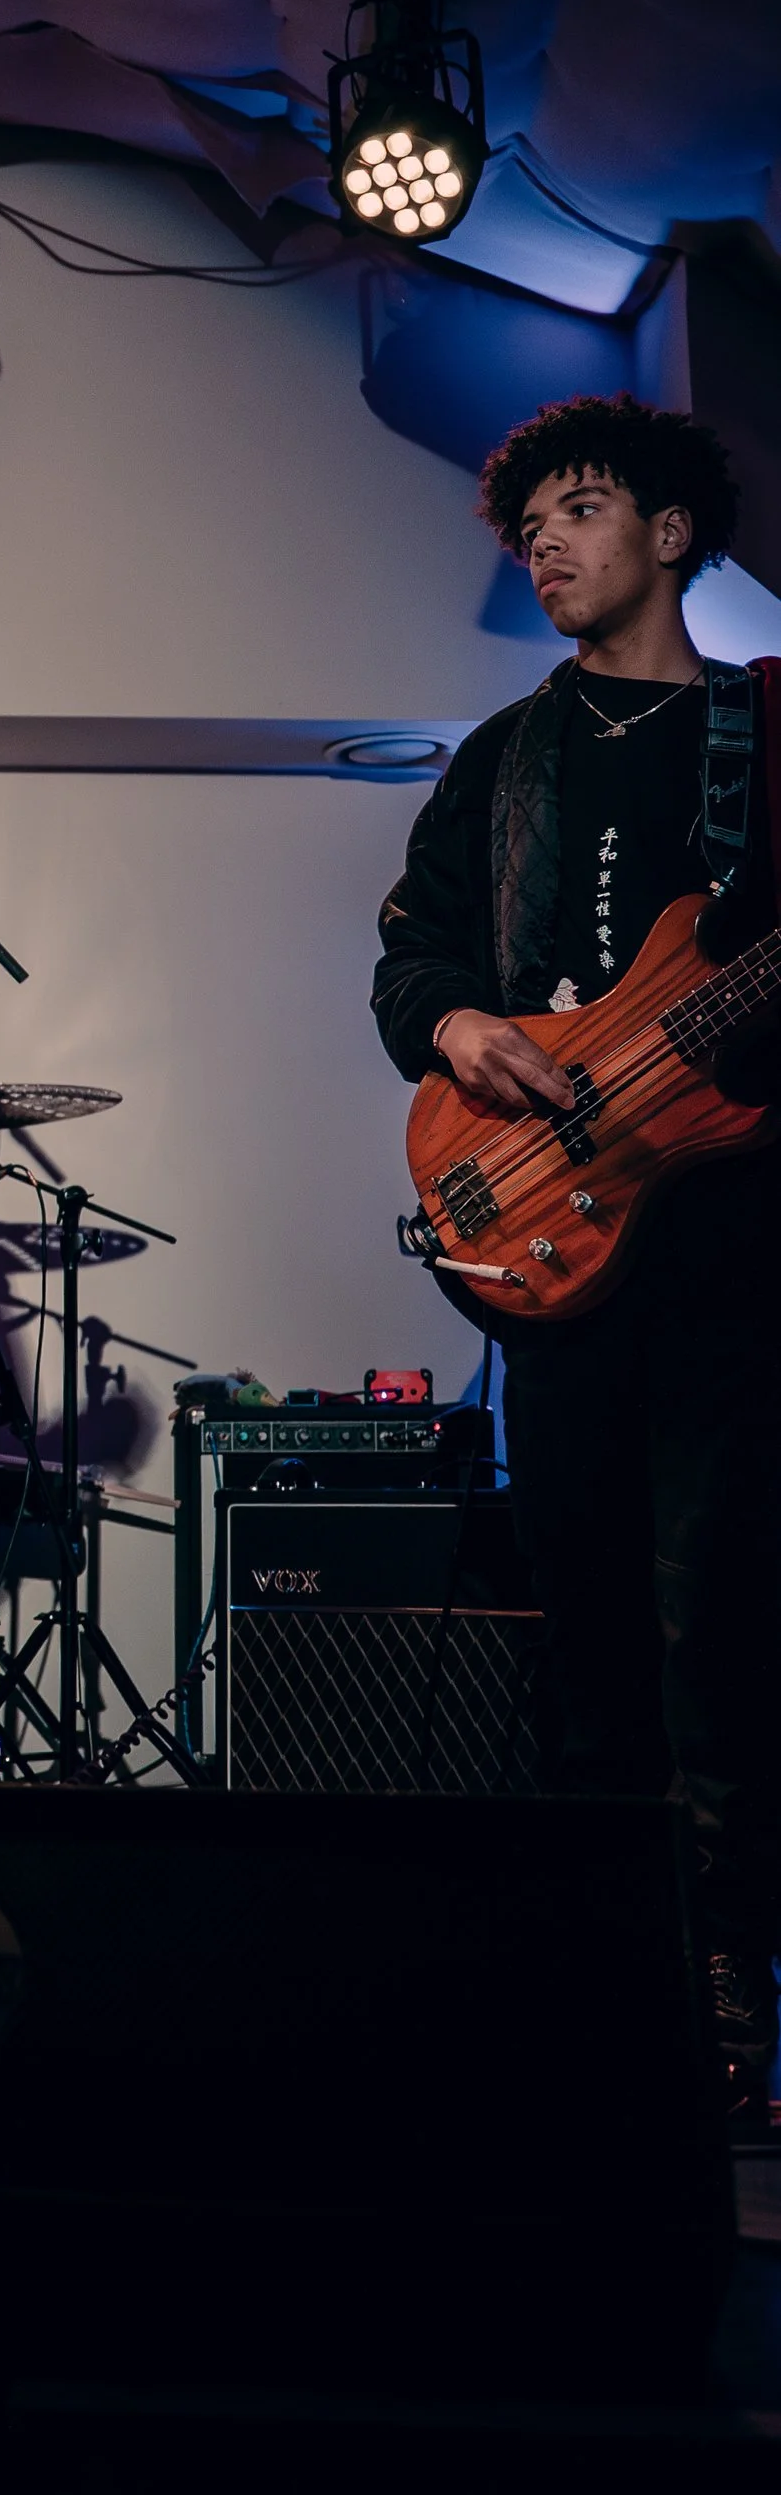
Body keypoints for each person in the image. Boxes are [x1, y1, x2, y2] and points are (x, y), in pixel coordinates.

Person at [370, 394, 781, 2123]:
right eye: (529, 522)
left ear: (674, 533)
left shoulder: (764, 734)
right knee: (591, 1619)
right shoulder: (497, 758)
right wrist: (461, 1022)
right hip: (554, 1237)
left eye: (585, 508)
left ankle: (731, 1975)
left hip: (739, 1253)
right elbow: (408, 968)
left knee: (733, 1623)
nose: (547, 541)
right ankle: (607, 1976)